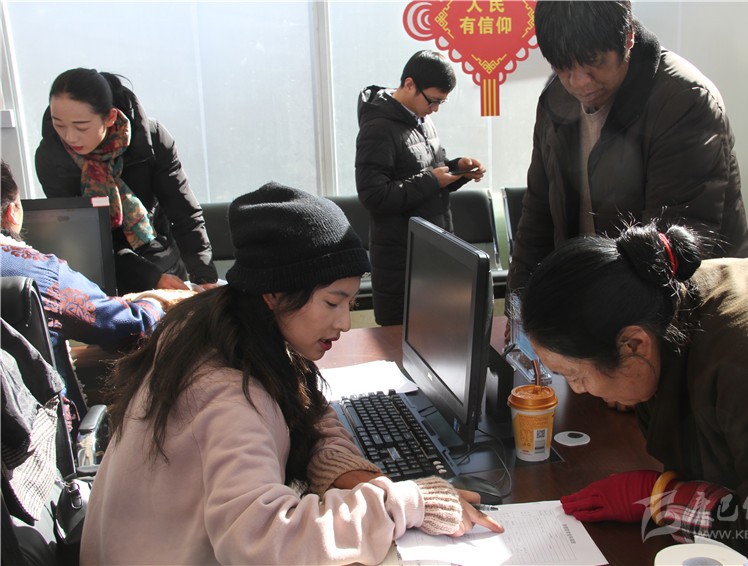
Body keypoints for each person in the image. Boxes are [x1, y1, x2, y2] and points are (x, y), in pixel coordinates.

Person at [80, 183, 503, 564]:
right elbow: (266, 542)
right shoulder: (227, 394)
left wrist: (334, 463)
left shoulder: (227, 328)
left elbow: (306, 409)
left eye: (351, 304)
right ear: (274, 293)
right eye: (332, 302)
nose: (344, 323)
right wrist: (407, 503)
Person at [520, 221, 748, 564]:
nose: (578, 390)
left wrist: (664, 498)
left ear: (633, 345)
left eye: (573, 375)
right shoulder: (661, 289)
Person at [507, 0, 748, 298]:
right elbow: (537, 215)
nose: (580, 82)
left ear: (628, 38)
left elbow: (671, 247)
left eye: (595, 62)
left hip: (695, 301)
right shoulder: (555, 99)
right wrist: (519, 305)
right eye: (563, 67)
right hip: (595, 298)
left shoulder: (683, 100)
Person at [35, 68, 219, 294]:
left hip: (159, 251)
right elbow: (81, 235)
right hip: (101, 269)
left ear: (110, 117)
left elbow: (184, 212)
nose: (69, 137)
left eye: (81, 126)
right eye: (59, 124)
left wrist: (204, 277)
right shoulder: (51, 157)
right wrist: (149, 278)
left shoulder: (150, 138)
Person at [1, 160, 180, 386]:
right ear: (12, 213)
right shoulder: (40, 274)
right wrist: (156, 301)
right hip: (38, 408)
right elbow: (129, 326)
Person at [355, 50, 486, 326]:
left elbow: (428, 173)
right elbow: (373, 195)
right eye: (433, 100)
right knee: (402, 340)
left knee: (441, 334)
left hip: (432, 253)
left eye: (441, 102)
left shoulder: (421, 118)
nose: (435, 108)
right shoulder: (378, 127)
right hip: (401, 262)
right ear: (409, 84)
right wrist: (432, 180)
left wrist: (458, 169)